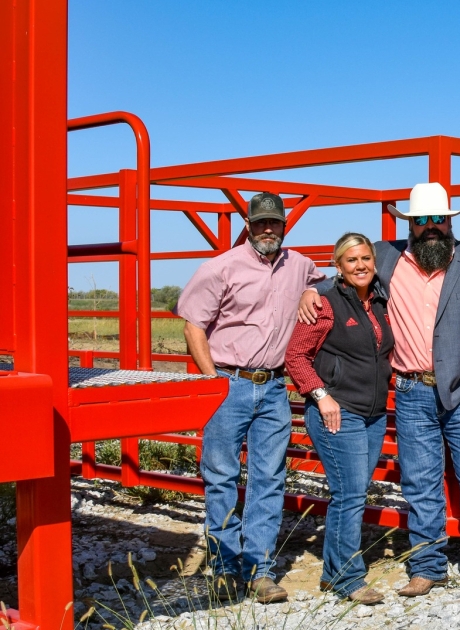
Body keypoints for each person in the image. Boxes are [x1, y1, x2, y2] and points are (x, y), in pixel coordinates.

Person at [298, 182, 460, 597]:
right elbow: (344, 272)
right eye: (422, 220)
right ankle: (427, 566)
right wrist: (314, 288)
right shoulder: (387, 255)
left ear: (450, 222)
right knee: (420, 483)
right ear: (410, 224)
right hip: (412, 391)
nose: (431, 226)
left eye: (438, 219)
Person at [177, 192, 325, 604]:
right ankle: (225, 568)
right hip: (230, 381)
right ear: (248, 224)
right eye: (259, 222)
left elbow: (321, 280)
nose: (266, 229)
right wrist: (213, 382)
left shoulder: (298, 265)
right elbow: (193, 327)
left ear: (283, 226)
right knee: (221, 476)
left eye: (273, 223)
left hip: (275, 386)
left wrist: (311, 291)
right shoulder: (220, 268)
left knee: (269, 479)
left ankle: (259, 571)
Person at [284, 233, 392, 605]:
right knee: (349, 494)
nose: (360, 265)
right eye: (351, 260)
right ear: (338, 266)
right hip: (337, 411)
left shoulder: (380, 301)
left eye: (365, 258)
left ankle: (333, 573)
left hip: (373, 413)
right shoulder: (325, 303)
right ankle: (348, 578)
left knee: (352, 493)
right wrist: (321, 395)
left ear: (374, 262)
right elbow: (296, 356)